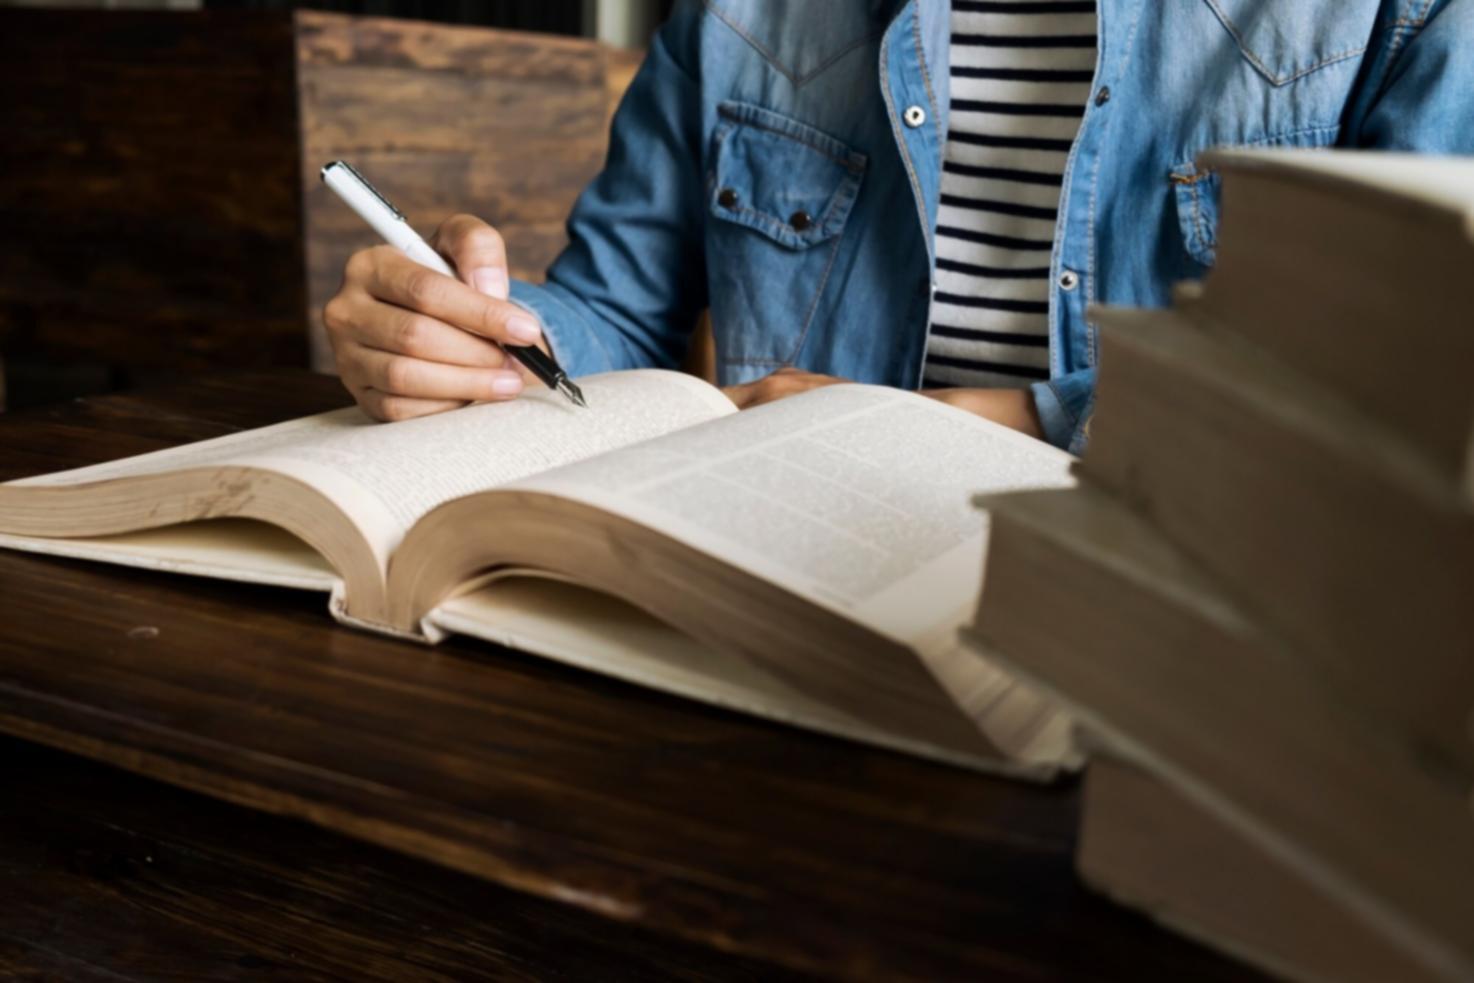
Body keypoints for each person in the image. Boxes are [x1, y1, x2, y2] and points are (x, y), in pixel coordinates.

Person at [323, 0, 1474, 453]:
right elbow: (615, 308)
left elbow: (1419, 360)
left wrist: (1009, 419)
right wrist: (468, 331)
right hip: (792, 569)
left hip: (1197, 611)